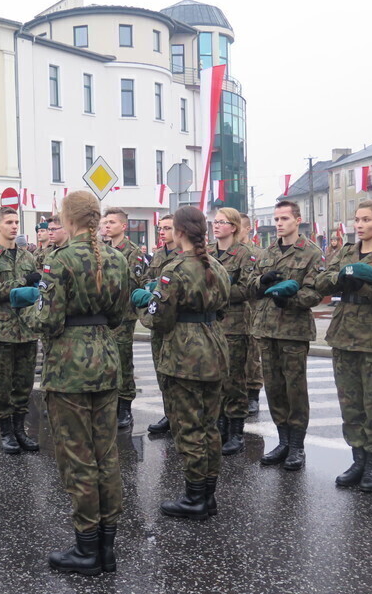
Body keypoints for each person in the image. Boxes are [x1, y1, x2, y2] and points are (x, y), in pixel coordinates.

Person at [37, 190, 129, 575]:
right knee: (106, 455)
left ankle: (86, 548)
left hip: (69, 367)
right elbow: (119, 316)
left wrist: (28, 312)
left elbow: (47, 321)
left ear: (69, 219)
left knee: (78, 458)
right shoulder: (117, 258)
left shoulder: (59, 260)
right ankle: (107, 548)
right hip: (105, 359)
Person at [137, 205, 230, 519]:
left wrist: (144, 305)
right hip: (214, 348)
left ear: (179, 232)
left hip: (185, 355)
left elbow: (159, 320)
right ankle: (208, 495)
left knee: (188, 428)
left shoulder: (174, 269)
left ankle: (194, 498)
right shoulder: (216, 265)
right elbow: (223, 308)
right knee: (210, 427)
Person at [315, 200, 372, 492]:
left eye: (366, 220)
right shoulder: (346, 252)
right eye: (357, 219)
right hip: (343, 335)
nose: (360, 225)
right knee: (350, 404)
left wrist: (362, 285)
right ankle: (358, 460)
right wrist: (340, 277)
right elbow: (321, 281)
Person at [248, 200, 324, 471]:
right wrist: (262, 281)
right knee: (274, 388)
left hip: (293, 330)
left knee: (295, 389)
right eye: (277, 219)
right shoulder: (266, 252)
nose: (279, 223)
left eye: (284, 219)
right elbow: (250, 284)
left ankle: (297, 446)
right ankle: (282, 441)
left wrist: (289, 299)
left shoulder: (312, 253)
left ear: (297, 220)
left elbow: (315, 291)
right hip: (266, 328)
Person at [0, 206, 40, 454]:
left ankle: (19, 429)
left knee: (24, 384)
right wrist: (23, 282)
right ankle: (6, 432)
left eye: (16, 222)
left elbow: (37, 291)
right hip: (2, 330)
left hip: (27, 329)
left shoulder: (27, 257)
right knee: (3, 385)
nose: (14, 226)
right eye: (9, 222)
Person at [208, 208, 256, 455]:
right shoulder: (207, 252)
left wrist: (216, 292)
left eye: (222, 222)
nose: (216, 226)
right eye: (214, 222)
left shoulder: (244, 254)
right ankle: (220, 426)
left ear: (234, 227)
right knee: (215, 378)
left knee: (234, 379)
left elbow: (247, 289)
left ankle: (236, 431)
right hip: (211, 324)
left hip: (235, 325)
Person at [103, 207, 146, 428]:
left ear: (123, 226)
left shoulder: (132, 252)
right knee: (107, 361)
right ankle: (110, 403)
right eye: (105, 222)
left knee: (122, 360)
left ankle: (125, 405)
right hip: (104, 314)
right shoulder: (102, 249)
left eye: (112, 222)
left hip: (123, 314)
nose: (107, 225)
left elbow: (131, 283)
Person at [145, 214, 179, 434]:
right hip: (157, 319)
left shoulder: (184, 255)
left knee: (176, 371)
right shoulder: (158, 255)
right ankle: (169, 413)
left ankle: (179, 416)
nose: (162, 232)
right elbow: (146, 278)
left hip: (175, 322)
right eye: (160, 228)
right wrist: (149, 286)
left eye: (167, 228)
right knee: (161, 370)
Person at [239, 213, 264, 415]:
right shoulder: (222, 251)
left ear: (248, 229)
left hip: (252, 311)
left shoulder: (259, 253)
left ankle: (253, 393)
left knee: (252, 355)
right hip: (230, 314)